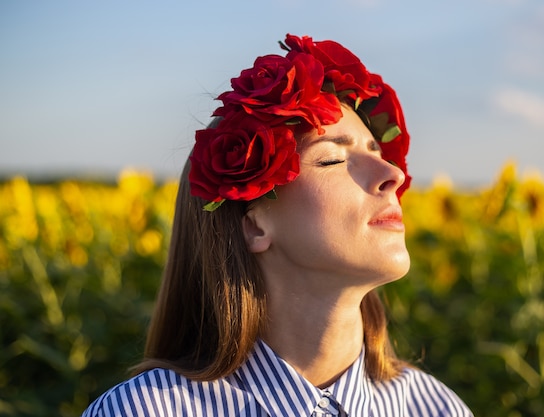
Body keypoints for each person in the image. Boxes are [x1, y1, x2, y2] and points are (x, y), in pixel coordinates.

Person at [82, 34, 473, 416]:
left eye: (377, 151)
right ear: (254, 226)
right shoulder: (147, 410)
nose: (393, 174)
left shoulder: (434, 407)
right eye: (332, 160)